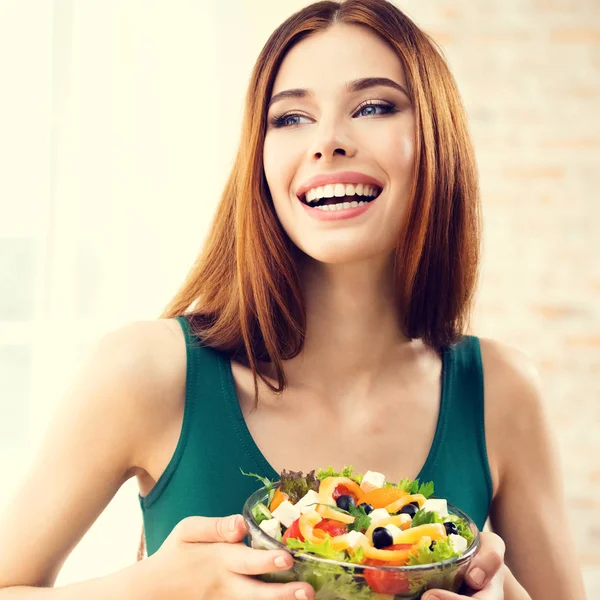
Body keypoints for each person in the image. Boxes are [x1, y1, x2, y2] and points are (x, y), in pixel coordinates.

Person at [0, 0, 586, 598]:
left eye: (374, 106)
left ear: (437, 140)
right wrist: (156, 588)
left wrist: (503, 592)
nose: (328, 140)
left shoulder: (501, 392)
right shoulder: (146, 371)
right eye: (290, 118)